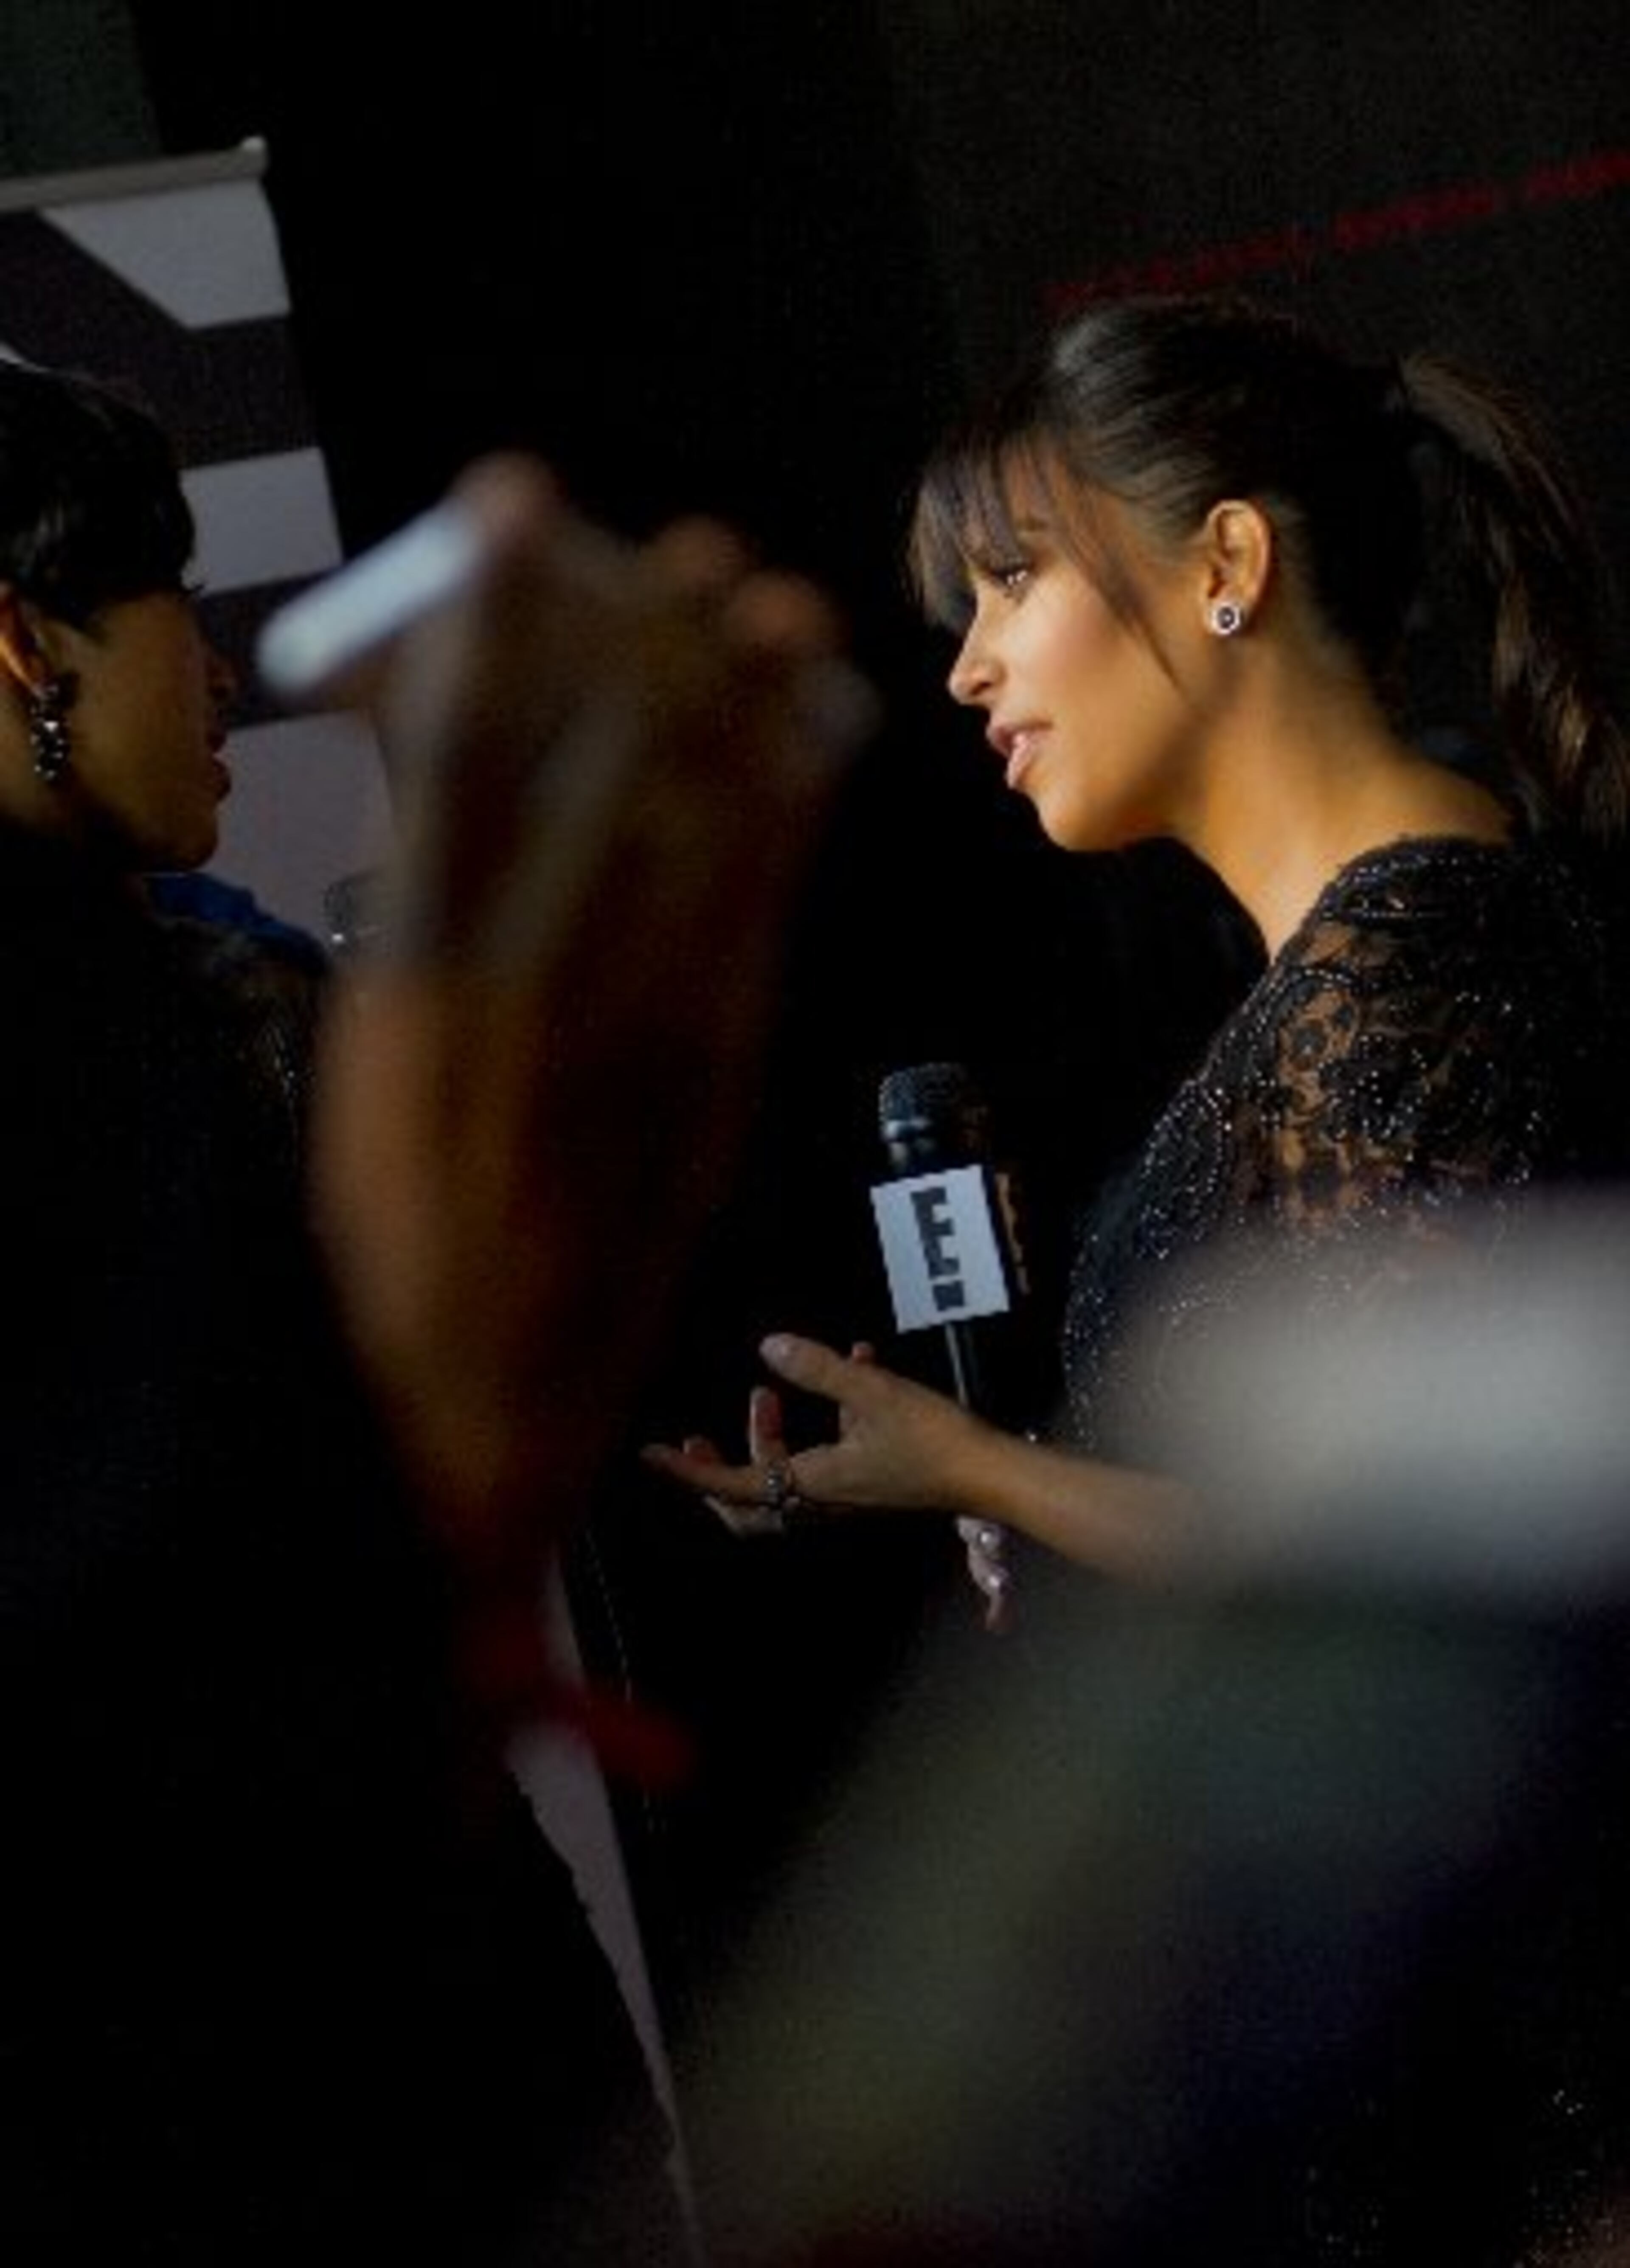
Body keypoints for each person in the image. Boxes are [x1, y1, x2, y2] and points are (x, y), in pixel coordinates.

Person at [0, 356, 857, 2264]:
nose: (221, 677)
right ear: (22, 639)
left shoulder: (179, 1008)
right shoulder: (100, 1063)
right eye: (174, 607)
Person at [641, 287, 1630, 1592]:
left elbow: (1378, 1550)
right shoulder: (1383, 954)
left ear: (1226, 567)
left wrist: (982, 1472)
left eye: (1013, 579)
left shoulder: (1412, 970)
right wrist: (982, 1476)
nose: (968, 668)